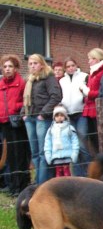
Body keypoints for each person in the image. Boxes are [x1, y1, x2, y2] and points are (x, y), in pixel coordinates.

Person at [23, 53, 62, 184]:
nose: (33, 66)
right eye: (30, 64)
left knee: (42, 152)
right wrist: (24, 113)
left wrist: (43, 113)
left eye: (35, 63)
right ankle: (38, 181)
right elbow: (26, 99)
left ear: (41, 64)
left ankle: (42, 183)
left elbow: (56, 96)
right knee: (34, 152)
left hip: (42, 118)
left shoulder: (48, 78)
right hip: (30, 117)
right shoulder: (30, 80)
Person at [0, 55, 31, 195]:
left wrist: (15, 108)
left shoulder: (21, 83)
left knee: (20, 154)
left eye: (10, 66)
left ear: (15, 68)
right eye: (5, 67)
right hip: (4, 122)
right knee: (9, 155)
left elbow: (25, 101)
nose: (7, 69)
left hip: (16, 122)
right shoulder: (1, 84)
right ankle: (13, 186)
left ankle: (22, 185)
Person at [60, 56, 90, 176]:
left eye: (73, 65)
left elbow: (88, 92)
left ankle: (88, 173)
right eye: (68, 66)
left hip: (81, 113)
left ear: (76, 65)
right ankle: (78, 175)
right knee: (74, 146)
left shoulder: (83, 76)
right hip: (68, 115)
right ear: (65, 68)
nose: (71, 68)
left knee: (82, 144)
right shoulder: (62, 81)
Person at [79, 48, 103, 158]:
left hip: (98, 110)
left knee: (100, 140)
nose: (88, 61)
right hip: (89, 109)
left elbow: (101, 92)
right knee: (92, 140)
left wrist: (87, 92)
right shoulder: (92, 72)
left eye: (91, 59)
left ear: (97, 59)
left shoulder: (102, 72)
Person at [44, 104, 80, 177]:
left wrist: (74, 153)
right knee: (58, 174)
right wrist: (48, 155)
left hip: (67, 155)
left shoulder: (70, 128)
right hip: (56, 156)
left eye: (61, 115)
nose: (59, 117)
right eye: (57, 116)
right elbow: (48, 143)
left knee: (67, 173)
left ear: (65, 116)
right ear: (54, 117)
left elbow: (75, 141)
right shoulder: (51, 130)